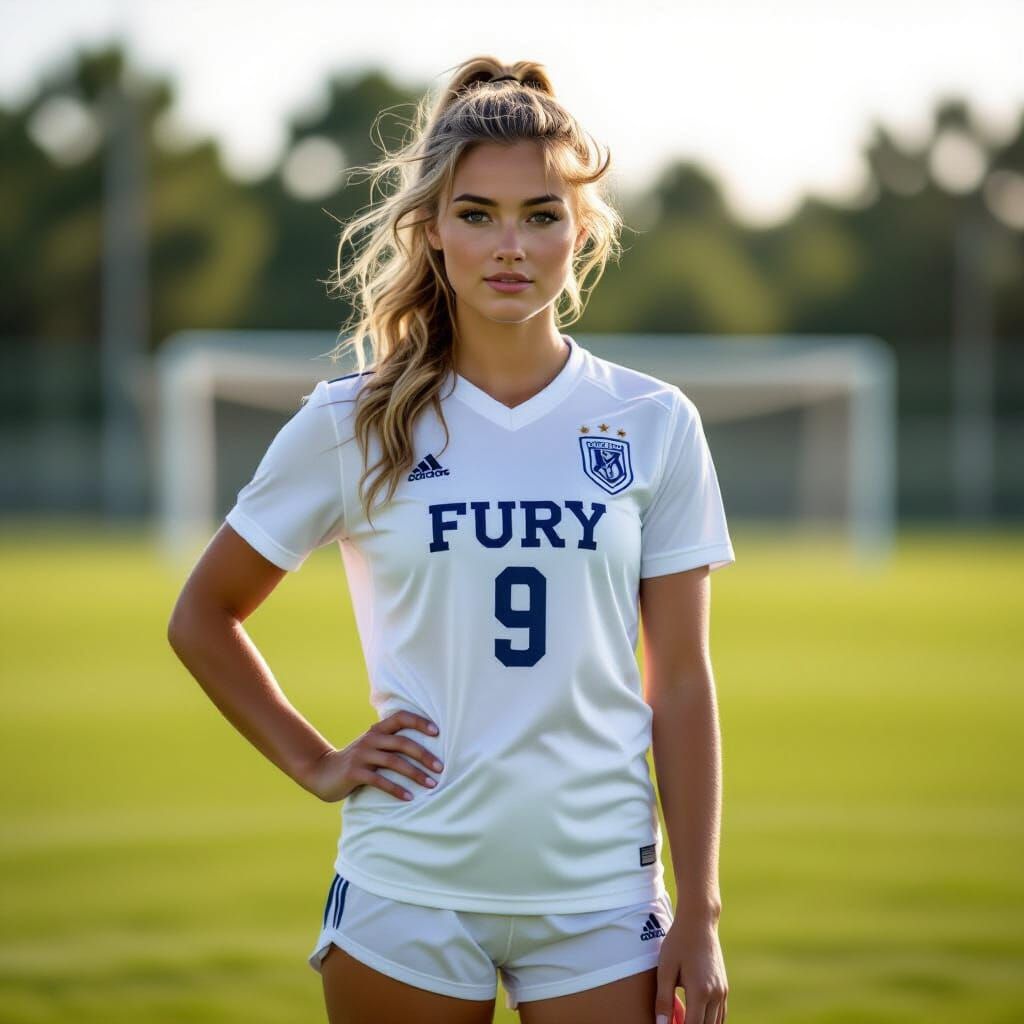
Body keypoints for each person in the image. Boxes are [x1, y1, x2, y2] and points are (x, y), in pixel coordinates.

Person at [167, 54, 734, 1024]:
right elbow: (202, 616)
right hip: (408, 881)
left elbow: (679, 681)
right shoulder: (354, 421)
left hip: (600, 888)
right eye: (477, 214)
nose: (509, 246)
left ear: (582, 226)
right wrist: (316, 761)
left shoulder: (653, 421)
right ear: (431, 227)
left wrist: (701, 908)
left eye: (540, 215)